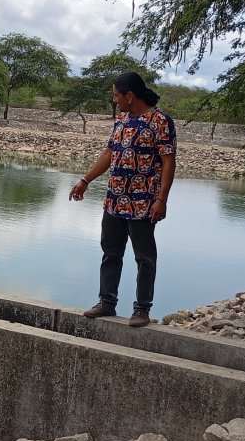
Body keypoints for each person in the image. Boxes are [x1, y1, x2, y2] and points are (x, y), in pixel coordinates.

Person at [70, 71, 176, 327]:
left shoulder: (160, 121)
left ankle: (142, 309)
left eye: (117, 95)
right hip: (115, 200)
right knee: (110, 253)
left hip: (143, 203)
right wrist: (85, 180)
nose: (115, 99)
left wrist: (161, 199)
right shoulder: (121, 119)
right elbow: (110, 152)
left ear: (130, 95)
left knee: (144, 258)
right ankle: (107, 302)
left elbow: (168, 161)